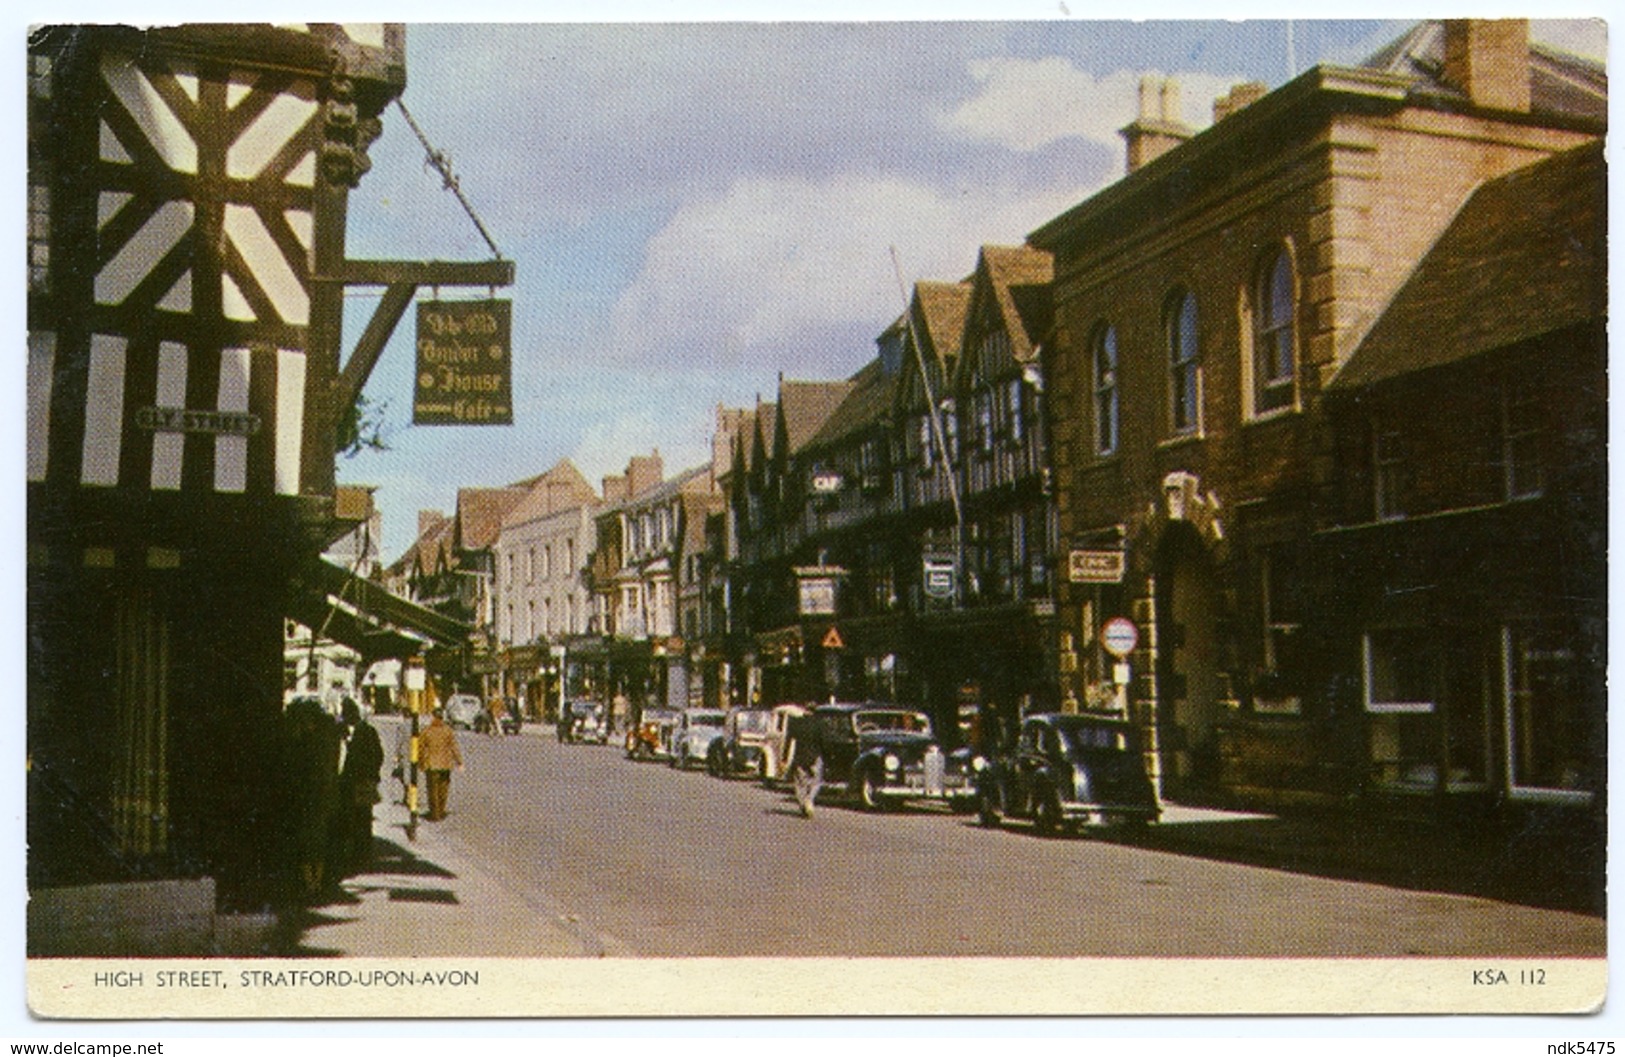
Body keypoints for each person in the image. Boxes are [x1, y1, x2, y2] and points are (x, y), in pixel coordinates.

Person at [332, 698, 384, 879]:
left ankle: (361, 857)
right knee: (347, 820)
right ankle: (349, 857)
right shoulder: (339, 732)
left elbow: (377, 755)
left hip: (361, 783)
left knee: (362, 819)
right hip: (345, 784)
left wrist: (370, 774)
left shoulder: (367, 732)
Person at [419, 708, 463, 821]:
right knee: (443, 789)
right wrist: (459, 762)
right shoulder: (448, 730)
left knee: (432, 790)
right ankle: (441, 810)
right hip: (445, 764)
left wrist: (420, 762)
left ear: (433, 717)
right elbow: (454, 746)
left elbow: (420, 747)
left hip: (431, 765)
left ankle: (435, 814)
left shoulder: (426, 731)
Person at [783, 711, 825, 819]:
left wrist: (784, 757)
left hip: (800, 756)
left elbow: (788, 740)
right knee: (816, 781)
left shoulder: (796, 723)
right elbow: (823, 742)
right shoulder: (819, 724)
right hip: (815, 756)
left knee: (800, 783)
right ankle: (809, 800)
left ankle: (803, 804)